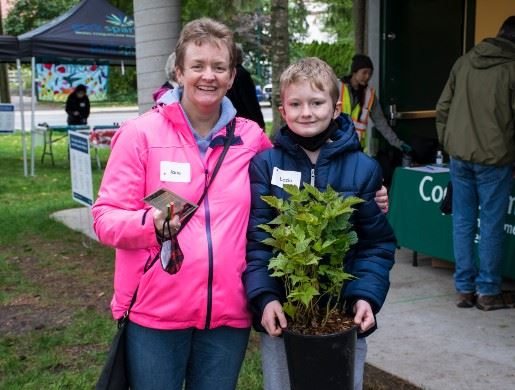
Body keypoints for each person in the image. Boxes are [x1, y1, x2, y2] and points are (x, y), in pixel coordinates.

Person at [92, 18, 272, 390]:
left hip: (228, 314)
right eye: (198, 66)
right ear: (179, 70)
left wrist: (368, 196)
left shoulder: (252, 139)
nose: (209, 76)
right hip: (156, 312)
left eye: (219, 67)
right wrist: (150, 225)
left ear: (232, 75)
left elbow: (289, 186)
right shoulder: (140, 135)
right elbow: (105, 219)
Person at [244, 57, 396, 390]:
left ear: (337, 107)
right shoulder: (265, 166)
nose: (306, 112)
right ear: (282, 111)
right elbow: (257, 243)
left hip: (342, 316)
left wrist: (365, 297)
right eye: (295, 104)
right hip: (285, 316)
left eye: (316, 102)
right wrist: (265, 299)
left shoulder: (363, 169)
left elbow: (376, 244)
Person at [436, 16, 515, 311]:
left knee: (463, 222)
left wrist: (449, 142)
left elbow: (443, 107)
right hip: (495, 160)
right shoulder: (512, 67)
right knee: (492, 224)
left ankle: (464, 289)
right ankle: (487, 292)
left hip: (460, 157)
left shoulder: (465, 61)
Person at [341, 54, 412, 186]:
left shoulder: (369, 95)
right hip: (337, 145)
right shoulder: (338, 89)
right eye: (364, 72)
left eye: (370, 73)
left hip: (356, 148)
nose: (367, 76)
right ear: (354, 71)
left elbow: (381, 123)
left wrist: (398, 143)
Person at [226, 44, 266, 129]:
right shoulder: (242, 75)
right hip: (245, 122)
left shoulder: (227, 74)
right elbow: (250, 102)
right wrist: (260, 123)